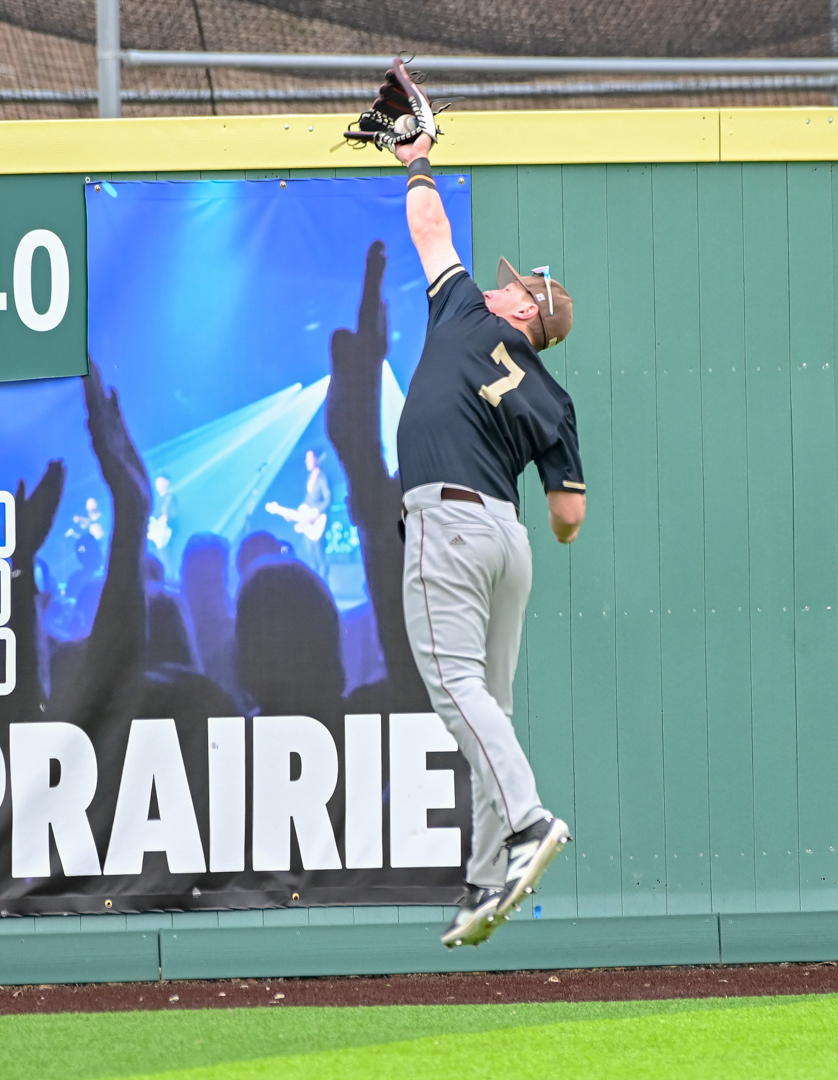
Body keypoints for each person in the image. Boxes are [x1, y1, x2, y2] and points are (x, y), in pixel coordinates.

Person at [356, 61, 586, 949]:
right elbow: (568, 516)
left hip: (449, 523)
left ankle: (527, 821)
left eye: (511, 284)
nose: (495, 283)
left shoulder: (467, 317)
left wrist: (416, 157)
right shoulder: (555, 398)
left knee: (456, 690)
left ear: (524, 308)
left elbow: (428, 225)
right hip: (509, 539)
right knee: (491, 701)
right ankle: (489, 876)